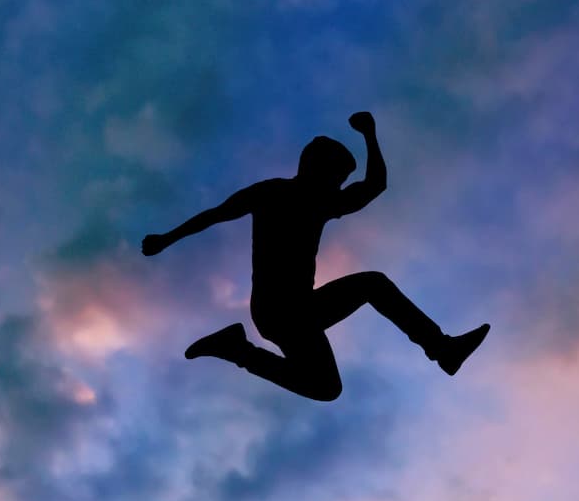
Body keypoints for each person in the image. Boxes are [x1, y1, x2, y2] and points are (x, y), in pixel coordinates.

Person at [143, 111, 489, 402]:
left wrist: (370, 135)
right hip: (278, 310)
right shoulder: (273, 193)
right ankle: (441, 349)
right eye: (337, 178)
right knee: (372, 285)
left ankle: (237, 349)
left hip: (299, 310)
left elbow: (374, 186)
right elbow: (216, 214)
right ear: (316, 168)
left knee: (327, 387)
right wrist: (167, 238)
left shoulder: (320, 203)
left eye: (342, 181)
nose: (339, 187)